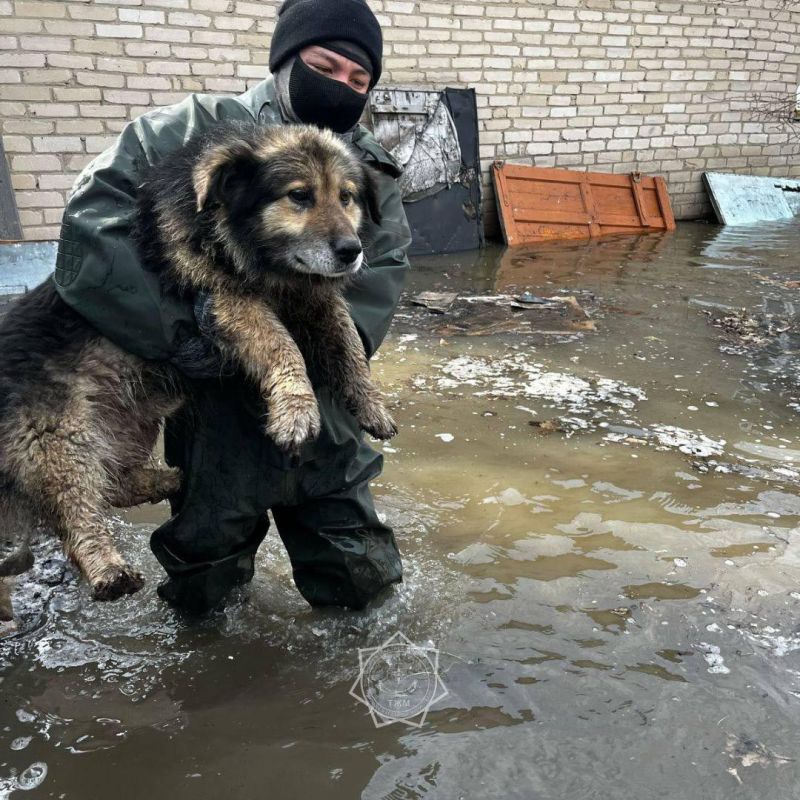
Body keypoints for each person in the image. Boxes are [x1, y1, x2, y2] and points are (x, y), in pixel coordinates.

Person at [53, 0, 412, 614]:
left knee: (359, 573)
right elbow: (91, 235)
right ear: (284, 61)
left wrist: (326, 351)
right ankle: (206, 684)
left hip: (322, 405)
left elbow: (381, 270)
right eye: (326, 65)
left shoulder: (366, 165)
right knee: (205, 573)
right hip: (208, 399)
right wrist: (182, 332)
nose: (342, 87)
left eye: (360, 80)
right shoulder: (188, 129)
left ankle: (358, 683)